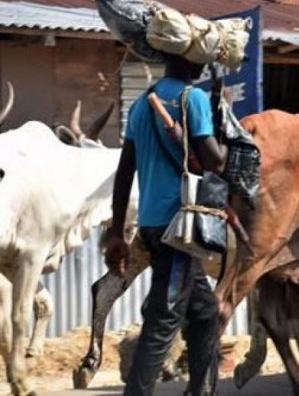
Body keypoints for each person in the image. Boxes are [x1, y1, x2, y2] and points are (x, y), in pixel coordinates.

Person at [105, 54, 228, 396]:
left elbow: (125, 171)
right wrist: (225, 123)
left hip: (152, 225)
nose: (205, 66)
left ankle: (202, 389)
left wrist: (118, 233)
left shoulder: (144, 103)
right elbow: (215, 161)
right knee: (163, 321)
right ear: (187, 59)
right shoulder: (194, 98)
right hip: (180, 230)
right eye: (201, 58)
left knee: (204, 312)